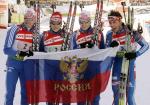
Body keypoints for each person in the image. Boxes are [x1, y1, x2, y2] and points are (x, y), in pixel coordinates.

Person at [106, 10, 149, 105]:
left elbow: (146, 46)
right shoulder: (109, 35)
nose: (111, 24)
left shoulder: (132, 32)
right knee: (117, 96)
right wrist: (110, 48)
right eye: (110, 22)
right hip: (117, 67)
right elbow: (106, 53)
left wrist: (135, 54)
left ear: (120, 20)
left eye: (114, 21)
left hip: (129, 67)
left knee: (129, 97)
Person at [70, 10, 105, 105]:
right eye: (81, 22)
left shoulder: (97, 33)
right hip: (81, 70)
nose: (84, 24)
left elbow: (103, 51)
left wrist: (94, 48)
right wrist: (82, 47)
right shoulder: (75, 34)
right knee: (81, 97)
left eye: (86, 22)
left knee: (94, 97)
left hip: (94, 69)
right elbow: (72, 52)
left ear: (90, 21)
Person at [3, 8, 36, 105]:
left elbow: (39, 51)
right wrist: (21, 54)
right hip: (13, 65)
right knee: (10, 93)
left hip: (27, 67)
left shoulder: (36, 34)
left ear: (34, 19)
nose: (29, 22)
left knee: (26, 93)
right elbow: (7, 49)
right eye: (26, 19)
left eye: (31, 19)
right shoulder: (15, 29)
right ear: (23, 18)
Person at [39, 11, 69, 105]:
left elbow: (74, 51)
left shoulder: (66, 35)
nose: (55, 26)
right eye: (53, 23)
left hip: (63, 69)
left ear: (61, 23)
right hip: (49, 70)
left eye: (58, 23)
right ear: (50, 23)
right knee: (50, 95)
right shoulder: (44, 35)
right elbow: (40, 52)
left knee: (65, 95)